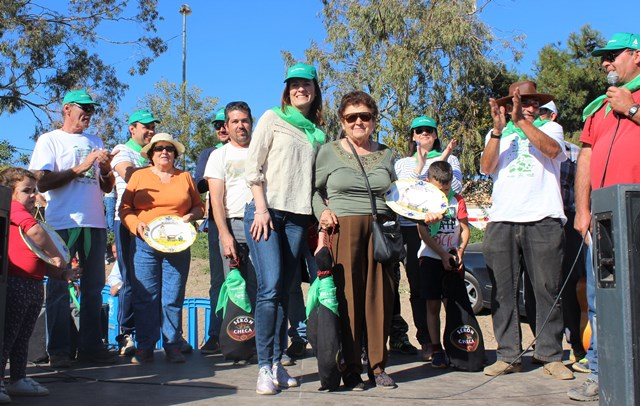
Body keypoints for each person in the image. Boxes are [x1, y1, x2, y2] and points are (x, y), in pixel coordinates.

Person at [479, 81, 573, 380]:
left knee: (546, 289)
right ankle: (508, 355)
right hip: (503, 219)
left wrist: (521, 122)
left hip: (543, 217)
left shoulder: (550, 128)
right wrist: (498, 130)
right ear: (506, 107)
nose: (530, 107)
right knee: (502, 292)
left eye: (533, 102)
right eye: (522, 103)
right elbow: (485, 166)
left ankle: (550, 355)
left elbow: (553, 151)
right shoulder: (496, 134)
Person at [244, 63, 325, 395]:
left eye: (306, 83)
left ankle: (276, 362)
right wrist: (261, 209)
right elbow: (253, 165)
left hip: (297, 217)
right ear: (286, 89)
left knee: (285, 289)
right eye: (294, 84)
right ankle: (263, 367)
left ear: (315, 89)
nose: (299, 89)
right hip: (266, 212)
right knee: (270, 286)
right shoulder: (271, 117)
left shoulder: (317, 134)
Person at [568, 32, 640, 402]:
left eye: (614, 55)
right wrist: (583, 210)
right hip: (605, 220)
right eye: (604, 58)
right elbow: (586, 158)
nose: (605, 63)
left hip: (637, 212)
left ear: (637, 55)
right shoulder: (597, 109)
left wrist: (631, 109)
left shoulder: (629, 100)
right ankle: (599, 373)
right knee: (599, 299)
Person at [313, 90, 397, 389]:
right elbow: (315, 191)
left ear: (374, 120)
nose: (358, 122)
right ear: (342, 120)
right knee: (348, 298)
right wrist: (322, 212)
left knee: (380, 299)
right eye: (352, 117)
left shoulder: (387, 154)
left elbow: (397, 193)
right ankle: (350, 367)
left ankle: (377, 366)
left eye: (365, 116)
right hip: (343, 230)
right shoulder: (328, 151)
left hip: (380, 230)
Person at [28, 89, 117, 368]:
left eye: (92, 109)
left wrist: (104, 169)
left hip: (95, 223)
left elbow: (106, 186)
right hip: (63, 224)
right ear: (67, 109)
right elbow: (41, 182)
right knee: (58, 287)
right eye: (84, 108)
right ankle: (59, 350)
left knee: (93, 289)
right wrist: (83, 166)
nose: (89, 113)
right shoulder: (50, 140)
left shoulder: (95, 140)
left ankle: (91, 348)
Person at [120, 133, 204, 364]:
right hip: (144, 244)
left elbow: (200, 206)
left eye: (169, 148)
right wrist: (137, 226)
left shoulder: (185, 177)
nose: (164, 152)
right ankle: (145, 346)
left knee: (173, 296)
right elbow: (124, 208)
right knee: (145, 296)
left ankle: (172, 345)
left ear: (175, 154)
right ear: (151, 154)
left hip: (178, 244)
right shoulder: (138, 177)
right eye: (159, 149)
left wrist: (191, 215)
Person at [0, 168, 80, 402]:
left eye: (35, 190)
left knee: (22, 336)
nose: (34, 195)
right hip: (17, 282)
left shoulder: (26, 214)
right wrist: (59, 256)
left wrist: (62, 273)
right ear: (10, 192)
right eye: (27, 191)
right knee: (8, 336)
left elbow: (37, 258)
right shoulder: (14, 209)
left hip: (34, 284)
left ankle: (18, 378)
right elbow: (36, 233)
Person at [522, 101, 588, 368]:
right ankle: (542, 343)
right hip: (537, 219)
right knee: (535, 284)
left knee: (569, 284)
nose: (536, 119)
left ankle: (576, 347)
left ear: (552, 117)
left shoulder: (573, 151)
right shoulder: (522, 144)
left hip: (566, 219)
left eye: (541, 114)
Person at [393, 115, 461, 360]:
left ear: (435, 134)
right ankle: (427, 341)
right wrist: (420, 169)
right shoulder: (402, 163)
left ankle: (454, 341)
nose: (424, 134)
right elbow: (403, 194)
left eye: (429, 130)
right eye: (419, 130)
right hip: (411, 229)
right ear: (412, 135)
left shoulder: (450, 158)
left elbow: (456, 188)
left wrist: (439, 162)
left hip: (443, 229)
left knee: (448, 290)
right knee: (418, 286)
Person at [110, 109, 159, 357]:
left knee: (153, 282)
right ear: (132, 128)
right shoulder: (122, 150)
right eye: (146, 126)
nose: (150, 131)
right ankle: (126, 334)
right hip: (127, 222)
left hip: (153, 226)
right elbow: (128, 174)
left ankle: (151, 335)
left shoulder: (151, 156)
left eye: (153, 127)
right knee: (131, 280)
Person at [416, 161, 469, 369]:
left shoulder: (457, 200)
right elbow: (422, 232)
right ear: (429, 182)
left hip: (453, 259)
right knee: (432, 305)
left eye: (446, 189)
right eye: (440, 189)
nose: (444, 192)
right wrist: (441, 254)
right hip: (431, 258)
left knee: (452, 305)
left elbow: (464, 229)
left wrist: (460, 251)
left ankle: (454, 346)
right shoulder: (423, 201)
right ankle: (436, 347)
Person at [204, 101, 257, 305]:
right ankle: (235, 336)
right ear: (227, 125)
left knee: (262, 285)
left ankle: (261, 336)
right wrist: (225, 236)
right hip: (233, 224)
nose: (240, 125)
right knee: (235, 286)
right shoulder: (219, 155)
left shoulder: (264, 150)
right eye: (235, 121)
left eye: (244, 120)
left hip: (262, 224)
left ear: (252, 123)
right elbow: (216, 200)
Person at [194, 107, 229, 354]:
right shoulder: (209, 154)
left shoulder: (251, 149)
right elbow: (199, 185)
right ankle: (215, 335)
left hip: (247, 220)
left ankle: (248, 336)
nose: (221, 129)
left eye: (224, 123)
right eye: (217, 125)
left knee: (252, 280)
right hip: (218, 223)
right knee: (218, 280)